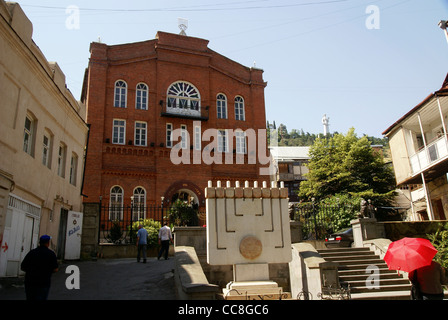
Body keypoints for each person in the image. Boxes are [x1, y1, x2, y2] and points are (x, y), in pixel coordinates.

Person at [20, 235, 58, 300]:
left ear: (39, 242)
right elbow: (55, 269)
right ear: (48, 243)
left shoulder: (32, 253)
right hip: (44, 283)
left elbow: (23, 267)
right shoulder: (51, 254)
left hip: (30, 282)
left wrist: (31, 271)